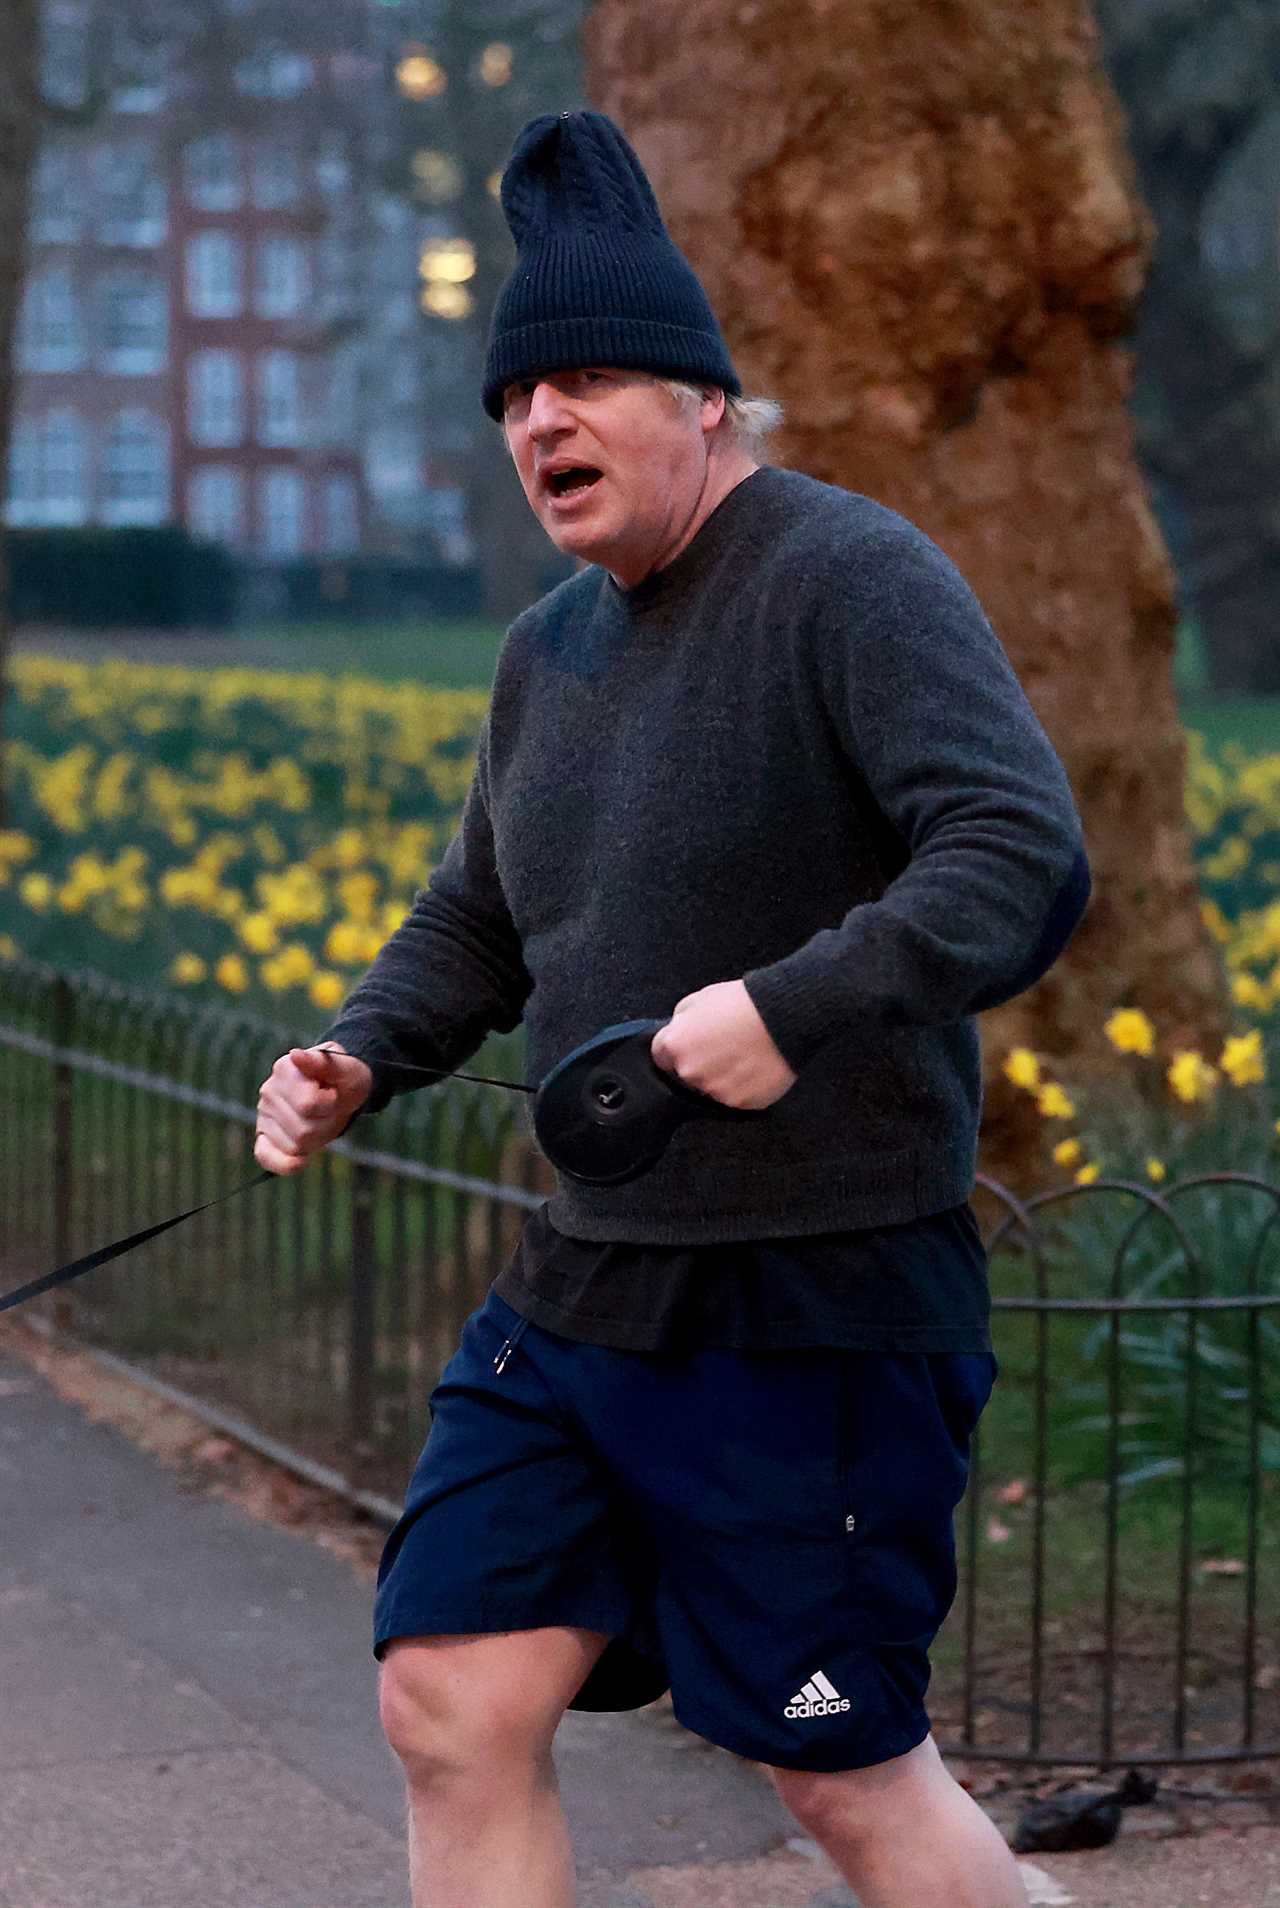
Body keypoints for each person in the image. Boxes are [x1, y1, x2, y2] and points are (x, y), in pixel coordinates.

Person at [254, 110, 1090, 1908]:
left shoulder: (846, 574)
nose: (541, 422)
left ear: (706, 401)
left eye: (591, 380)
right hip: (585, 1283)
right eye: (514, 401)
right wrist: (362, 1051)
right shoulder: (546, 650)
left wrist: (789, 1012)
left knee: (840, 1777)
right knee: (450, 1697)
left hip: (820, 1294)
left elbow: (1018, 847)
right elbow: (480, 916)